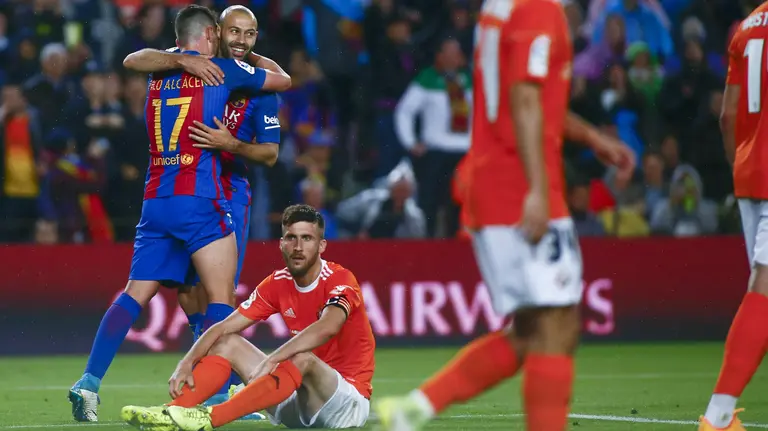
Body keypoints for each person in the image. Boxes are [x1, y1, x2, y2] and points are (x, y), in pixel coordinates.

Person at [375, 0, 634, 430]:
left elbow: (531, 98)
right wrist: (535, 188)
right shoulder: (537, 9)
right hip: (518, 183)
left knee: (537, 327)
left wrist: (591, 137)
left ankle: (416, 409)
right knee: (556, 324)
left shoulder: (503, 8)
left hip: (498, 178)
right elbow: (524, 99)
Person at [68, 5, 291, 422]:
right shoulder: (221, 69)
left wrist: (233, 143)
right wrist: (196, 58)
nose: (241, 40)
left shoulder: (161, 69)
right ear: (214, 32)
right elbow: (286, 77)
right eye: (233, 32)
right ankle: (220, 396)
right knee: (217, 302)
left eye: (251, 33)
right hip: (203, 199)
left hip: (160, 200)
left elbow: (133, 59)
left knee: (140, 293)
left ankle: (88, 384)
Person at [120, 204, 376, 431]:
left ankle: (210, 418)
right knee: (225, 342)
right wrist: (187, 362)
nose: (298, 247)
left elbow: (328, 327)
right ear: (281, 243)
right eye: (291, 238)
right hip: (298, 400)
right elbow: (221, 329)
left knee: (300, 358)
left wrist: (276, 358)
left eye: (307, 238)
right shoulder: (277, 283)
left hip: (346, 403)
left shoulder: (340, 279)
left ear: (321, 245)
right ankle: (171, 413)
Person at [697, 3, 768, 430]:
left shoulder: (746, 28)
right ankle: (718, 417)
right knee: (765, 287)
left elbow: (727, 115)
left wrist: (740, 170)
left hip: (748, 175)